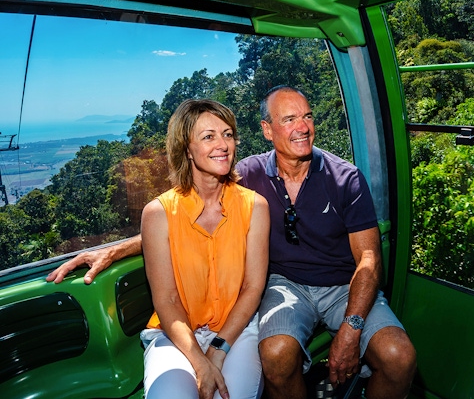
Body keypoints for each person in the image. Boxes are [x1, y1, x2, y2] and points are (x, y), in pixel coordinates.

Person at [48, 86, 417, 399]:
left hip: (341, 286)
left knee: (399, 356)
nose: (302, 128)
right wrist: (116, 248)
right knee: (275, 353)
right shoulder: (250, 175)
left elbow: (368, 259)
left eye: (307, 116)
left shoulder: (342, 178)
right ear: (267, 130)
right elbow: (177, 217)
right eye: (288, 120)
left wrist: (351, 330)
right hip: (285, 284)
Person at [138, 99, 269, 399]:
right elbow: (167, 299)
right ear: (186, 148)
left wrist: (219, 351)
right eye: (208, 136)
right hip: (175, 335)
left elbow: (252, 288)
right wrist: (200, 363)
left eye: (227, 134)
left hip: (235, 331)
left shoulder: (254, 207)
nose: (223, 145)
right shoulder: (158, 213)